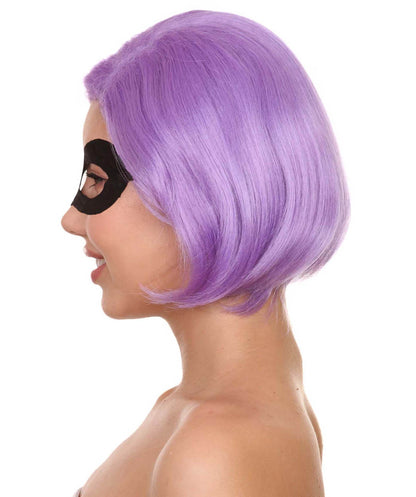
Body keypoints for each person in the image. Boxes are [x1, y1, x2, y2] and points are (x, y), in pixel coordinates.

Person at [62, 9, 350, 497]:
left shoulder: (216, 449)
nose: (71, 219)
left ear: (200, 193)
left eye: (96, 180)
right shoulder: (186, 414)